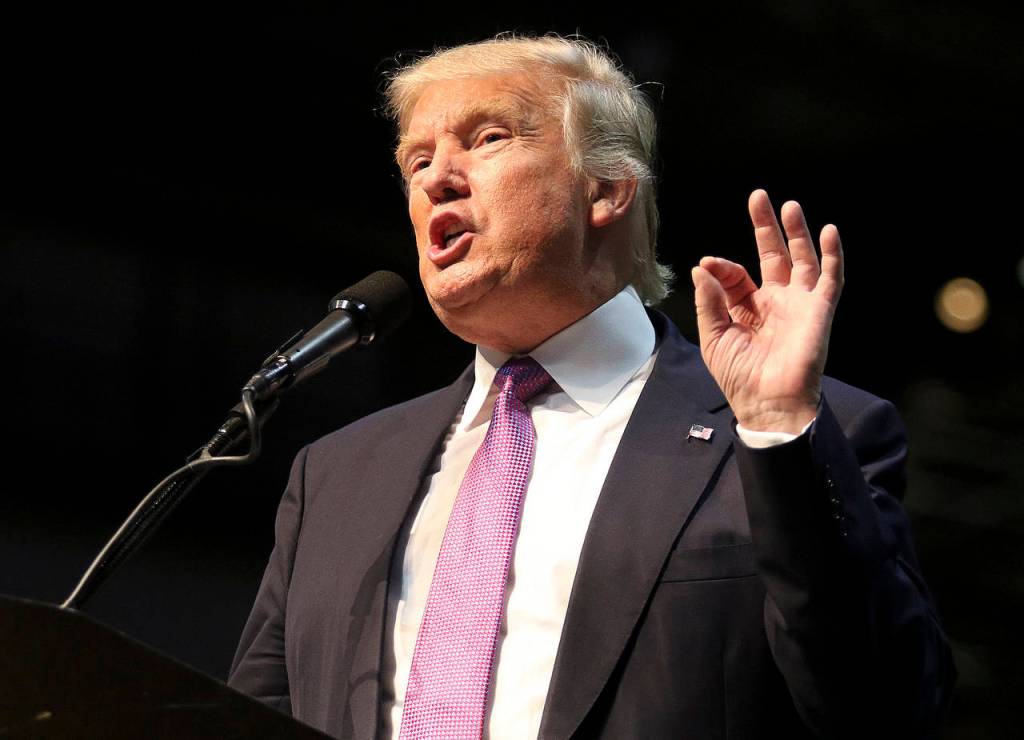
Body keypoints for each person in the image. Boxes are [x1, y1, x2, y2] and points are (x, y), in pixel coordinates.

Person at [228, 34, 955, 739]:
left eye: (487, 139)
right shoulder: (335, 475)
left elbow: (886, 709)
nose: (435, 177)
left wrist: (775, 425)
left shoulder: (792, 441)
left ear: (606, 189)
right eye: (417, 159)